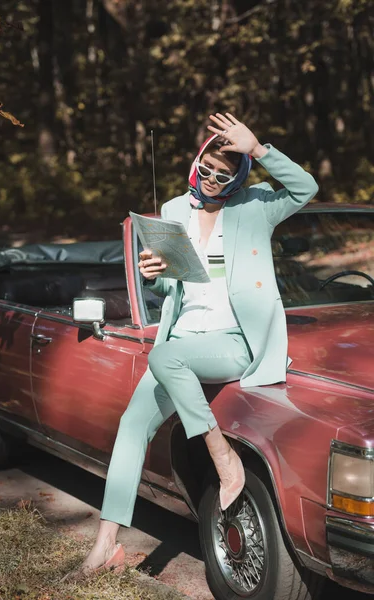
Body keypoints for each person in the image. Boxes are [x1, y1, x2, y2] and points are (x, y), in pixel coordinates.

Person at [65, 112, 319, 578]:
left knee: (165, 356)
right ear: (197, 161)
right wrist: (155, 278)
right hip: (182, 338)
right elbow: (174, 291)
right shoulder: (176, 211)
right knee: (131, 425)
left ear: (237, 176)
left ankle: (223, 458)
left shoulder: (256, 206)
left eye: (224, 174)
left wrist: (258, 148)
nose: (211, 180)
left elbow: (306, 189)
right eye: (206, 169)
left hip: (234, 342)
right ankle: (105, 548)